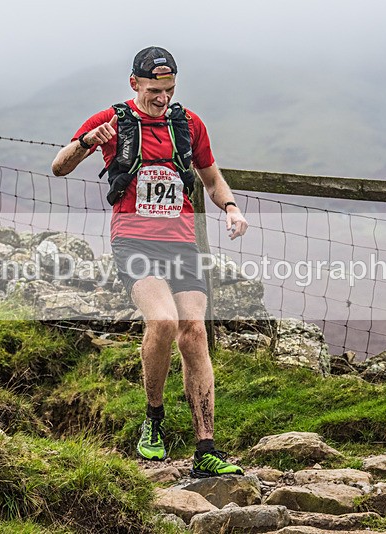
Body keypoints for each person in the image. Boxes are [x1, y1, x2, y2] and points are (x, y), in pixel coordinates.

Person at [52, 46, 248, 478]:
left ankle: (206, 448)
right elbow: (58, 166)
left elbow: (210, 176)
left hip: (181, 244)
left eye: (170, 90)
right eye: (155, 90)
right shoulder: (114, 121)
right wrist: (87, 142)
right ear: (134, 84)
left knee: (194, 332)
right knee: (162, 323)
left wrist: (230, 207)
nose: (163, 98)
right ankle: (153, 420)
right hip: (134, 242)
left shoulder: (188, 124)